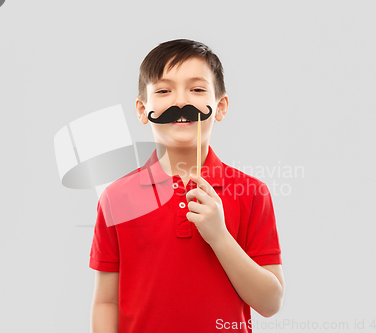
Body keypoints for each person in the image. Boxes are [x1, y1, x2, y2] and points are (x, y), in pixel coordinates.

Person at [89, 39, 285, 333]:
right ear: (143, 110)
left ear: (220, 106)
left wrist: (219, 236)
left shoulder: (252, 193)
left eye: (196, 89)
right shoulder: (116, 198)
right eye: (164, 91)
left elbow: (270, 302)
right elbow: (106, 301)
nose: (181, 102)